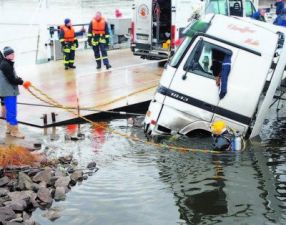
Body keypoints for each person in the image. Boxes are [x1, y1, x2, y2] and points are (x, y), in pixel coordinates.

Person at [0, 47, 25, 138]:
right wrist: (20, 81)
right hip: (9, 91)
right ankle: (15, 131)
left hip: (6, 91)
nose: (13, 55)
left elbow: (11, 76)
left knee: (9, 111)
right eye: (11, 54)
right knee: (12, 111)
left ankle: (9, 129)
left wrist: (17, 79)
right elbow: (11, 79)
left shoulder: (5, 63)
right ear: (6, 55)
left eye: (13, 53)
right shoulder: (5, 65)